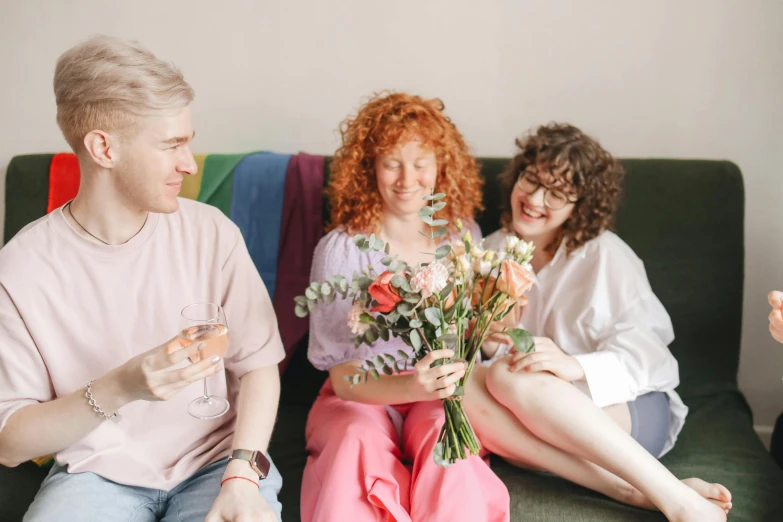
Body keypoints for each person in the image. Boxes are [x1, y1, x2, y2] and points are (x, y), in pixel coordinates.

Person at [0, 35, 284, 522]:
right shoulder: (21, 268)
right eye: (171, 145)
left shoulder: (210, 233)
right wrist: (122, 386)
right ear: (103, 147)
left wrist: (242, 475)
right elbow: (10, 443)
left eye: (188, 142)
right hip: (93, 476)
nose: (189, 164)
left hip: (219, 465)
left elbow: (258, 366)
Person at [462, 123, 732, 522]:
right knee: (460, 385)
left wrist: (577, 365)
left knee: (507, 376)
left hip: (625, 409)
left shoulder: (606, 256)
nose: (535, 199)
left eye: (556, 193)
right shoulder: (492, 251)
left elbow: (654, 358)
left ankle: (678, 502)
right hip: (536, 417)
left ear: (580, 205)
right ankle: (631, 491)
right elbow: (487, 354)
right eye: (531, 179)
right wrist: (486, 339)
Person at [301, 92, 510, 522]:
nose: (407, 179)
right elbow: (344, 381)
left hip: (437, 397)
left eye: (421, 163)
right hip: (360, 396)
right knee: (356, 438)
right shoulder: (340, 251)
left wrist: (493, 323)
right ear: (369, 167)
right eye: (392, 162)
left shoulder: (460, 237)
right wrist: (411, 387)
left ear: (441, 167)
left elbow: (473, 333)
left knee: (444, 440)